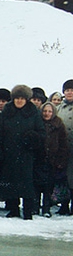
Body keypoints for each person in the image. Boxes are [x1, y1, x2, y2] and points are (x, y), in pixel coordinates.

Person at [0, 85, 45, 220]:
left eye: (22, 98)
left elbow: (41, 132)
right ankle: (13, 208)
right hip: (9, 153)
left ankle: (27, 211)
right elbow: (0, 132)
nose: (19, 101)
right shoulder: (7, 110)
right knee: (11, 181)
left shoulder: (33, 111)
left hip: (27, 154)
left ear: (26, 99)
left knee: (27, 183)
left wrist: (32, 138)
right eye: (17, 98)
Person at [34, 102, 68, 217]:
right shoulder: (37, 123)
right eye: (44, 111)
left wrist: (61, 160)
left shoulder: (58, 124)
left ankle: (46, 209)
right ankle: (35, 207)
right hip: (38, 159)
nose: (47, 114)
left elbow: (63, 144)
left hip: (52, 160)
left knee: (49, 186)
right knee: (36, 185)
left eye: (49, 111)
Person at [56, 79, 73, 214]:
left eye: (72, 90)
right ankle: (63, 205)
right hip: (63, 149)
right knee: (63, 178)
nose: (69, 92)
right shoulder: (59, 108)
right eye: (67, 90)